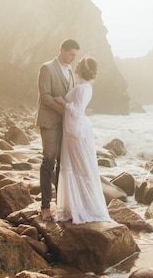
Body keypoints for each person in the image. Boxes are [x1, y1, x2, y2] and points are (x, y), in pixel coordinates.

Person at [54, 57, 112, 223]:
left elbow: (77, 110)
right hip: (75, 128)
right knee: (77, 166)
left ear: (83, 69)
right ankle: (77, 206)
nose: (76, 64)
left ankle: (85, 208)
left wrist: (62, 102)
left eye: (79, 63)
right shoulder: (84, 87)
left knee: (79, 167)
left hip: (76, 132)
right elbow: (81, 108)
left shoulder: (82, 88)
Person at [36, 38, 80, 221]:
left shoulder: (70, 71)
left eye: (75, 55)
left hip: (65, 124)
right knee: (49, 161)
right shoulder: (47, 68)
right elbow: (45, 96)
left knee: (63, 163)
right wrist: (65, 110)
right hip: (50, 122)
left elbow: (70, 96)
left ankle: (61, 205)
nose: (73, 58)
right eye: (71, 54)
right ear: (62, 50)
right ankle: (45, 207)